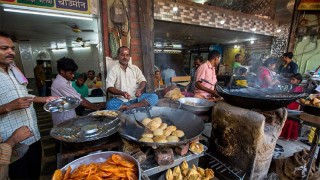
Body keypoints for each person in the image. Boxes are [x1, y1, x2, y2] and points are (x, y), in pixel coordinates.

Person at [0, 31, 57, 179]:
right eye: (4, 48)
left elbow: (24, 97)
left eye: (12, 48)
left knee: (35, 174)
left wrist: (44, 99)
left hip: (33, 136)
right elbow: (14, 103)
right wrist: (8, 106)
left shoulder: (14, 71)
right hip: (11, 143)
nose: (11, 52)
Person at [51, 57, 104, 125]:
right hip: (63, 118)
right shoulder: (60, 84)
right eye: (70, 73)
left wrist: (94, 105)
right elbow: (80, 101)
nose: (73, 76)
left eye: (73, 73)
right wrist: (97, 107)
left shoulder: (66, 82)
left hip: (69, 114)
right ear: (62, 71)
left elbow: (79, 96)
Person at [106, 46, 158, 111]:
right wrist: (122, 93)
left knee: (154, 97)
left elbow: (142, 81)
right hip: (121, 100)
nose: (125, 57)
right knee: (109, 105)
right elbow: (109, 87)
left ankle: (129, 107)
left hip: (136, 99)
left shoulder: (135, 68)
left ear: (129, 56)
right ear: (118, 56)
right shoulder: (113, 70)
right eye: (122, 55)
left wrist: (139, 89)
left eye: (127, 55)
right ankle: (134, 107)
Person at [279, 73, 303, 141]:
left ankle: (288, 136)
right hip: (290, 104)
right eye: (291, 79)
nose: (291, 81)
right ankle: (285, 135)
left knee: (290, 120)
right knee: (287, 119)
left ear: (298, 81)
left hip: (293, 105)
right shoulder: (291, 86)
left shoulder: (298, 88)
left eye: (293, 80)